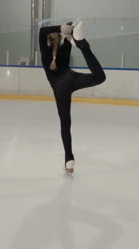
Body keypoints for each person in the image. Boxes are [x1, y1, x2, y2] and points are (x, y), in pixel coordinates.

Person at [39, 19, 106, 174]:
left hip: (59, 87)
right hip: (72, 78)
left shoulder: (45, 50)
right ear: (61, 38)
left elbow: (42, 31)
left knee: (65, 123)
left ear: (47, 41)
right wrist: (70, 31)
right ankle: (83, 45)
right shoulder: (65, 45)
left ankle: (69, 159)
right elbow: (65, 31)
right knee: (100, 77)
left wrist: (62, 28)